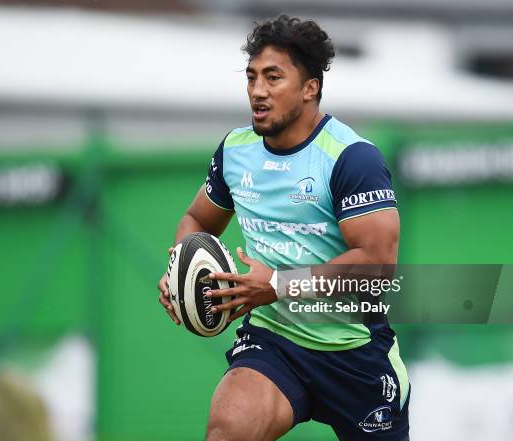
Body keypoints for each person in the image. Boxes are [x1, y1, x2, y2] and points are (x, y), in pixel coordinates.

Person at [157, 15, 410, 441]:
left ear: (310, 87)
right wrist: (181, 269)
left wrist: (276, 283)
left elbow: (377, 263)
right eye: (252, 77)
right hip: (274, 343)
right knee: (226, 432)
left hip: (354, 354)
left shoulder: (352, 159)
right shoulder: (236, 151)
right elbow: (197, 220)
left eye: (273, 77)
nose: (257, 90)